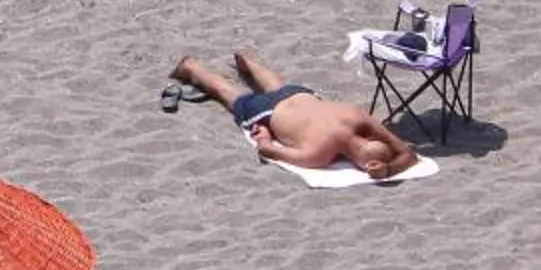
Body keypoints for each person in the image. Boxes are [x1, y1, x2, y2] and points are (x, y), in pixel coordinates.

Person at [170, 50, 420, 178]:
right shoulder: (319, 154)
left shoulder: (356, 116)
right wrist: (265, 135)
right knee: (228, 94)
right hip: (269, 112)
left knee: (276, 85)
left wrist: (387, 162)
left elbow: (407, 154)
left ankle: (248, 62)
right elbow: (268, 150)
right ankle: (190, 67)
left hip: (300, 95)